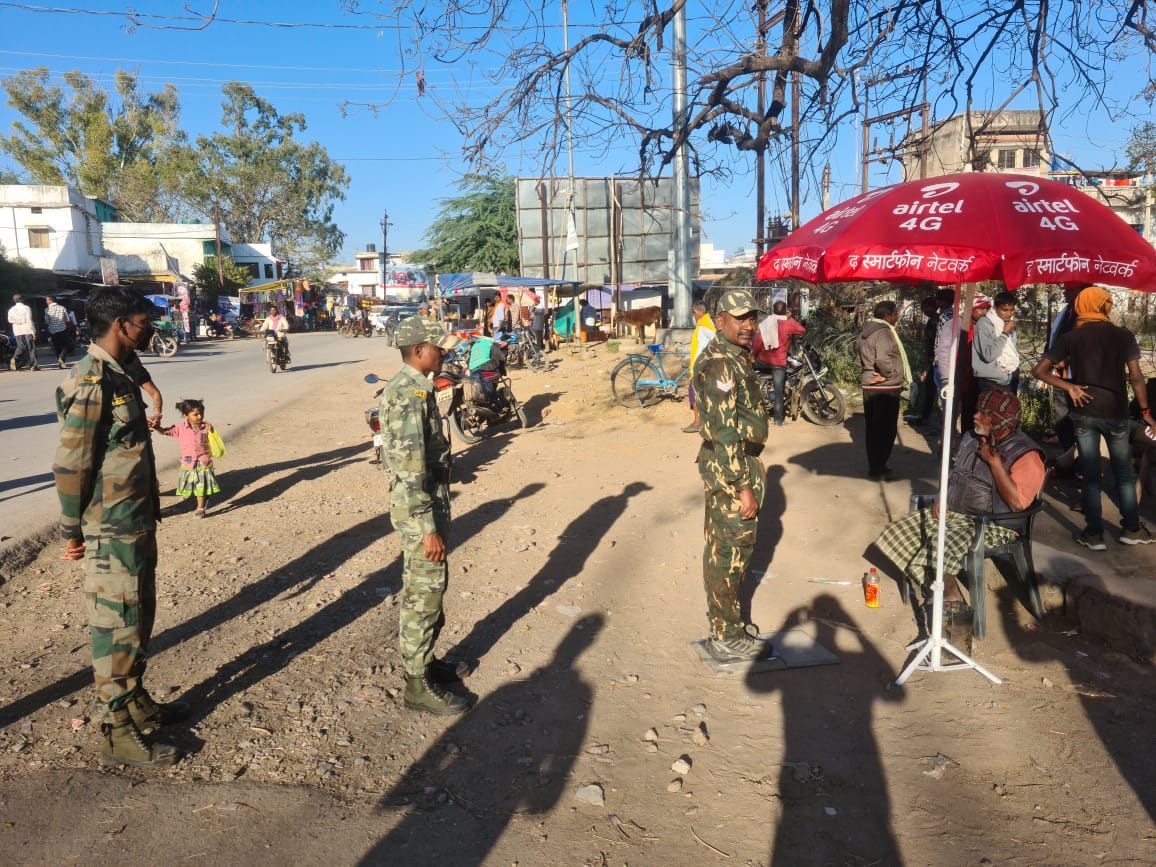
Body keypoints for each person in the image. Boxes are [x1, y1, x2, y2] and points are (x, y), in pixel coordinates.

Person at [53, 286, 187, 769]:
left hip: (134, 518)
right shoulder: (92, 382)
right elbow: (72, 465)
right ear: (119, 326)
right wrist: (71, 531)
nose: (151, 326)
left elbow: (142, 382)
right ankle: (114, 729)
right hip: (109, 526)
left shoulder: (122, 369)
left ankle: (133, 699)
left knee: (139, 616)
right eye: (143, 319)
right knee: (116, 624)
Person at [874, 388, 1046, 609]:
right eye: (977, 411)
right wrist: (940, 497)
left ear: (1002, 421)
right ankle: (939, 587)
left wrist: (995, 464)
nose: (975, 416)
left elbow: (1017, 503)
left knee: (940, 542)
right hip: (957, 515)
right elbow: (954, 473)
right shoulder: (971, 438)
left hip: (993, 525)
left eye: (985, 414)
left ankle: (951, 601)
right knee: (896, 532)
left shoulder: (1027, 454)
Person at [381, 316, 472, 715]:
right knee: (423, 593)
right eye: (437, 346)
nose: (444, 351)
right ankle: (416, 684)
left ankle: (427, 661)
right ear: (418, 350)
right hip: (421, 510)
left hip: (433, 500)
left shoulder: (418, 390)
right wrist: (426, 526)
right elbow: (408, 468)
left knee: (433, 588)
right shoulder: (405, 395)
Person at [1034, 286, 1154, 548]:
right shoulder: (1123, 336)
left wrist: (1070, 387)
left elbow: (1040, 371)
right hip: (1116, 413)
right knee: (1123, 473)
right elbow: (1136, 377)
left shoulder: (1071, 337)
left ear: (1081, 306)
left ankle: (1093, 534)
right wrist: (1145, 412)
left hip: (1084, 413)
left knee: (1090, 475)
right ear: (1105, 305)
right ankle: (1132, 530)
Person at [692, 289, 773, 663]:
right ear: (719, 320)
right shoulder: (720, 365)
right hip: (732, 468)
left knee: (729, 549)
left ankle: (729, 625)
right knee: (729, 553)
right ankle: (725, 635)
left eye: (751, 317)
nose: (748, 325)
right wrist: (743, 487)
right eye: (739, 318)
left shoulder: (734, 357)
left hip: (738, 462)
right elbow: (724, 433)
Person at [856, 300, 911, 480]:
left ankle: (875, 466)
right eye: (895, 314)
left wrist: (868, 372)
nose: (897, 317)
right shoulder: (884, 333)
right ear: (887, 315)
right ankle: (879, 466)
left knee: (873, 428)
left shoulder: (865, 331)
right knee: (886, 429)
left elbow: (858, 360)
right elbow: (882, 359)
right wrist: (889, 374)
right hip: (886, 387)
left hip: (869, 384)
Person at [155, 398, 220, 518]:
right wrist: (157, 427)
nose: (200, 416)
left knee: (201, 486)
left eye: (201, 413)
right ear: (185, 415)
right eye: (196, 414)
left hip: (203, 462)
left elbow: (213, 440)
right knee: (191, 485)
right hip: (188, 463)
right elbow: (165, 431)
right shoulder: (179, 428)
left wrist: (211, 429)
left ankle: (200, 508)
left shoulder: (205, 427)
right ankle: (201, 497)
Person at [752, 300, 807, 428]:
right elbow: (802, 330)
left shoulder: (766, 323)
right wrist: (791, 318)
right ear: (785, 311)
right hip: (778, 364)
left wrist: (754, 357)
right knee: (779, 393)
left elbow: (758, 342)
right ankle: (778, 421)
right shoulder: (787, 324)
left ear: (773, 311)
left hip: (763, 361)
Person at [972, 290, 1020, 394]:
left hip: (1009, 377)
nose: (1009, 314)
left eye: (1012, 310)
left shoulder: (1008, 323)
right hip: (992, 381)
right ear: (995, 308)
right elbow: (988, 355)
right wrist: (1005, 333)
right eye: (1005, 310)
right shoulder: (985, 324)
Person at [683, 300, 717, 433]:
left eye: (694, 312)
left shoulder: (705, 326)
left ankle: (698, 422)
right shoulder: (704, 324)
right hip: (702, 366)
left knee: (694, 394)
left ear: (701, 312)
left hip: (700, 367)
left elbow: (715, 340)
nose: (693, 315)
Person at [7, 293, 38, 371]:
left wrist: (18, 321)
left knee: (21, 346)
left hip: (17, 331)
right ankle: (33, 365)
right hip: (27, 329)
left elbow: (10, 320)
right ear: (22, 300)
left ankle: (14, 358)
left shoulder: (11, 310)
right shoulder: (26, 308)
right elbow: (29, 320)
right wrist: (33, 331)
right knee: (31, 347)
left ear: (14, 301)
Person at [44, 295, 72, 369]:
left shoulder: (47, 310)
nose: (46, 302)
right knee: (65, 345)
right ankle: (62, 358)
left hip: (52, 331)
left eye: (47, 300)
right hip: (62, 329)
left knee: (57, 347)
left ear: (50, 301)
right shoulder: (62, 308)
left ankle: (60, 363)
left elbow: (47, 321)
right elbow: (67, 319)